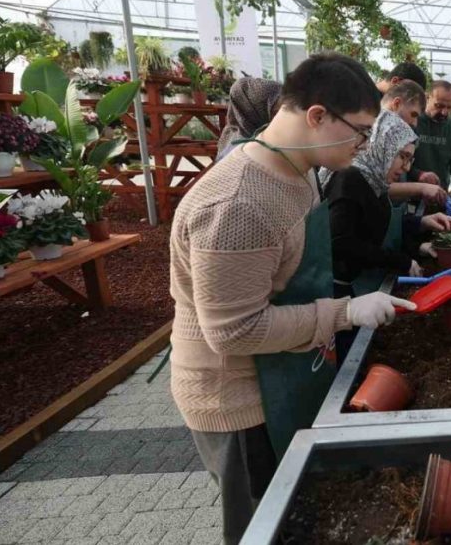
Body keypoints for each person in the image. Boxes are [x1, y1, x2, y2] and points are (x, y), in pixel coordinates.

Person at [168, 53, 414, 544]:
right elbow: (234, 331)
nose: (366, 145)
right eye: (362, 131)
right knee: (263, 523)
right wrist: (344, 312)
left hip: (282, 372)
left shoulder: (297, 172)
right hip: (239, 400)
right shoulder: (236, 204)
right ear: (318, 116)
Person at [322, 111, 451, 362]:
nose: (406, 167)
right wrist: (401, 261)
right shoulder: (349, 178)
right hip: (342, 294)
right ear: (381, 145)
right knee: (346, 358)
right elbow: (341, 243)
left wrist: (420, 226)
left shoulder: (374, 180)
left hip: (360, 287)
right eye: (403, 157)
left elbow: (376, 224)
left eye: (410, 159)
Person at [378, 81, 447, 206]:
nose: (415, 123)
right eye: (413, 115)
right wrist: (421, 188)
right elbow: (374, 186)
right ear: (397, 103)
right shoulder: (373, 133)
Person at [411, 80, 451, 199]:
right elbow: (398, 163)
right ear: (427, 98)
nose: (444, 112)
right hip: (410, 194)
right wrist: (418, 174)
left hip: (439, 197)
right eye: (439, 106)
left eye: (449, 107)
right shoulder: (413, 121)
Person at [215, 77, 282, 160]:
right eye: (275, 111)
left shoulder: (232, 134)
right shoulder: (246, 152)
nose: (282, 115)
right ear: (254, 111)